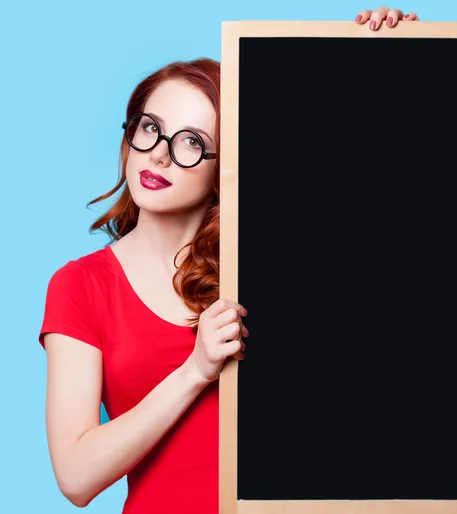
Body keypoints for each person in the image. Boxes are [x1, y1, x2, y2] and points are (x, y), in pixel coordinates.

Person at [38, 6, 420, 513]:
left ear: (226, 169)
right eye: (150, 128)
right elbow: (76, 476)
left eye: (192, 142)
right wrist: (196, 370)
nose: (160, 155)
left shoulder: (269, 266)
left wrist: (400, 61)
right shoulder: (80, 285)